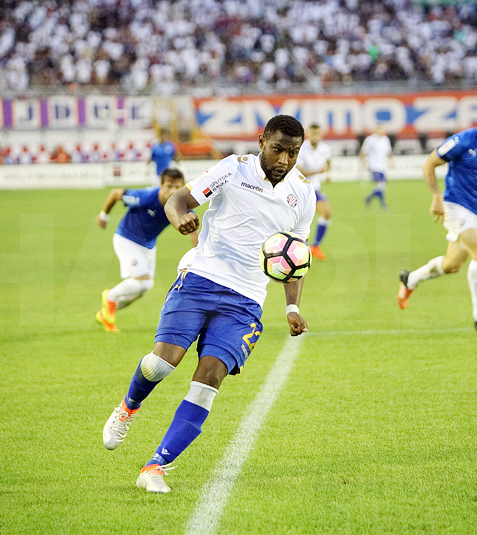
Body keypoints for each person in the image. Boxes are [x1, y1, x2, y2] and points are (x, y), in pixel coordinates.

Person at [102, 115, 314, 493]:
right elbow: (180, 199)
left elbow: (294, 256)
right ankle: (128, 407)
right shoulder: (233, 169)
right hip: (200, 278)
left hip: (246, 300)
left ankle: (156, 467)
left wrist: (292, 308)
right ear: (261, 140)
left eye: (293, 153)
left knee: (208, 380)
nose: (283, 160)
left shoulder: (304, 194)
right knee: (161, 363)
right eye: (278, 149)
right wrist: (180, 217)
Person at [397, 98, 477, 334]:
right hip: (454, 205)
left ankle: (409, 279)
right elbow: (429, 164)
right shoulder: (462, 141)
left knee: (451, 265)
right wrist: (436, 196)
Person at [95, 168, 197, 332]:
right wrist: (103, 216)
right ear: (161, 185)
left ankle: (105, 312)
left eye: (177, 187)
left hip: (148, 246)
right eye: (169, 186)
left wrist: (200, 253)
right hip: (126, 239)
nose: (173, 191)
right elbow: (115, 193)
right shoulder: (146, 197)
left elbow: (194, 232)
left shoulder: (180, 205)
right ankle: (109, 297)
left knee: (144, 286)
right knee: (142, 280)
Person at [296, 123, 333, 260]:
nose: (315, 136)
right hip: (299, 187)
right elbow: (300, 171)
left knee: (327, 213)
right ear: (308, 134)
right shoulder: (301, 149)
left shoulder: (325, 148)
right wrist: (320, 171)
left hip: (314, 187)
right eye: (312, 134)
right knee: (296, 220)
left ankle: (315, 246)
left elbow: (328, 162)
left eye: (317, 134)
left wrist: (328, 174)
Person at [360, 124, 393, 210]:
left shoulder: (385, 139)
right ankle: (383, 205)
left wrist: (391, 162)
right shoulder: (370, 140)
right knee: (381, 184)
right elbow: (363, 152)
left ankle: (369, 198)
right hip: (373, 166)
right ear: (376, 130)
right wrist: (361, 164)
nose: (383, 131)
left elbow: (388, 152)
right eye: (381, 129)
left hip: (383, 166)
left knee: (381, 186)